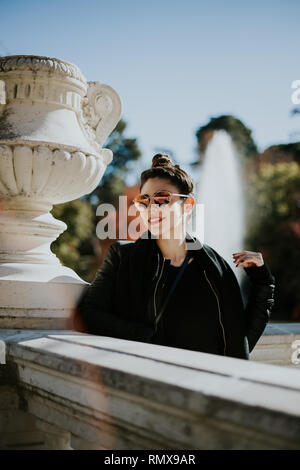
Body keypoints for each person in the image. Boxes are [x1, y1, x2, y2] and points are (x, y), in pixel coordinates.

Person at [72, 153, 275, 360]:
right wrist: (149, 339)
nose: (150, 208)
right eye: (143, 201)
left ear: (188, 206)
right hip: (149, 382)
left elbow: (239, 341)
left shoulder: (215, 267)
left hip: (208, 383)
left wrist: (263, 283)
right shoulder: (123, 257)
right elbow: (89, 314)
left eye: (162, 199)